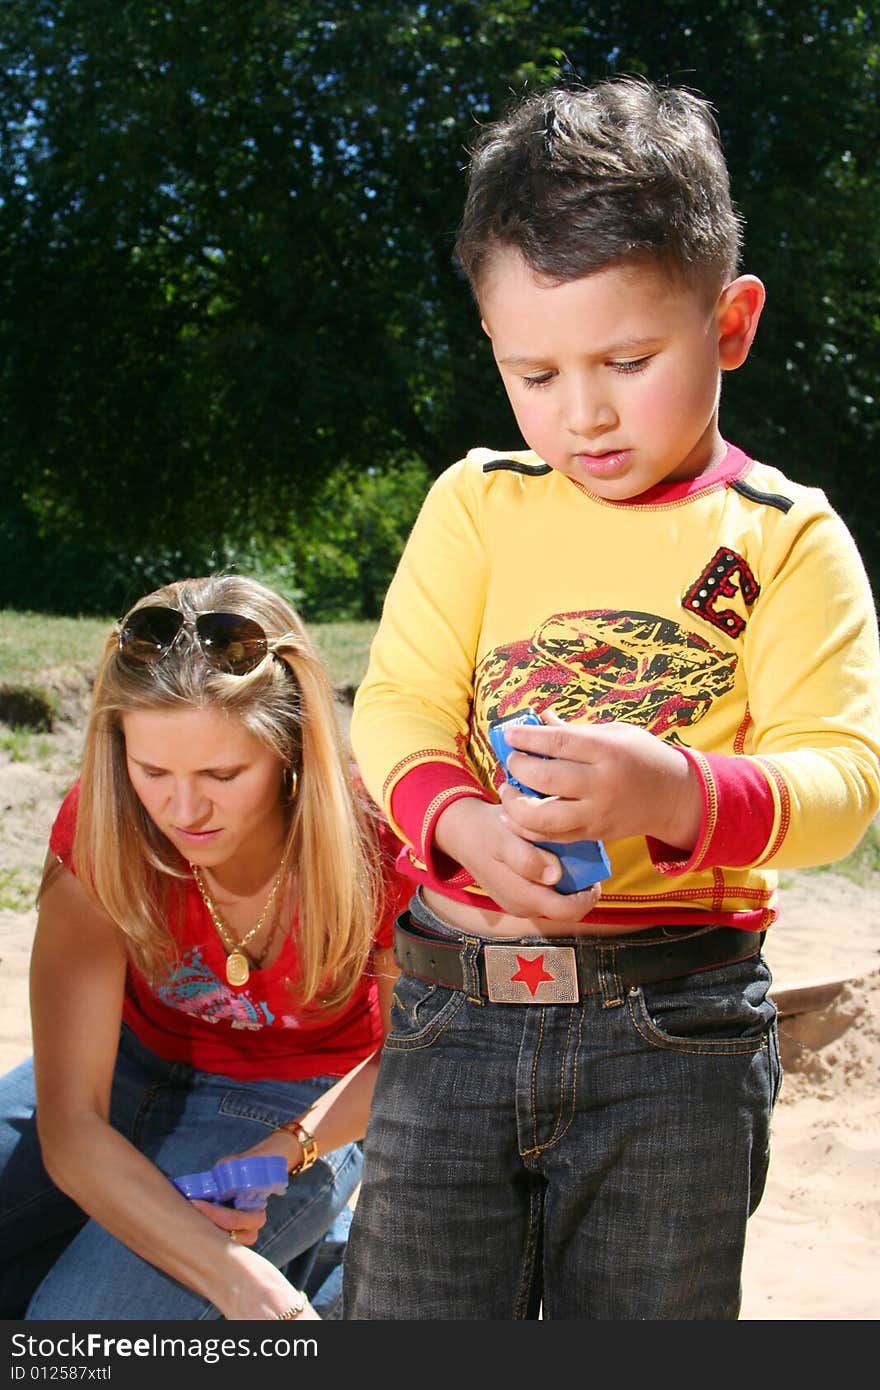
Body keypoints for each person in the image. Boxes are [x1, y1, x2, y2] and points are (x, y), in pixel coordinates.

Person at [343, 77, 880, 1320]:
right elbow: (403, 705)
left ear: (729, 322)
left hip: (674, 1033)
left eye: (628, 361)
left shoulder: (785, 540)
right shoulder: (478, 503)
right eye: (531, 372)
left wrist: (671, 790)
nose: (579, 412)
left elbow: (840, 785)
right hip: (446, 1017)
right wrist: (464, 827)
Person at [0, 573, 407, 1321]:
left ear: (292, 752)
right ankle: (316, 1265)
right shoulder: (100, 824)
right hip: (121, 1067)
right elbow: (73, 1125)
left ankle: (338, 1265)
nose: (182, 810)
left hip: (300, 1102)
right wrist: (235, 1282)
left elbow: (413, 1057)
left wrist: (290, 1151)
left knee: (83, 1331)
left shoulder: (380, 842)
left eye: (223, 774)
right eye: (151, 771)